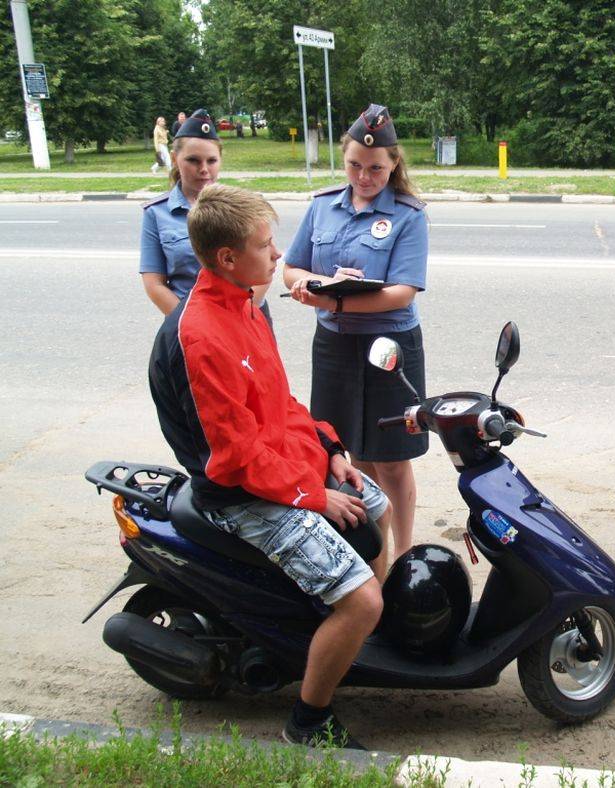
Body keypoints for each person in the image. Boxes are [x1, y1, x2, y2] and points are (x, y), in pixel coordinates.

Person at [148, 183, 387, 747]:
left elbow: (280, 404)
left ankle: (349, 641)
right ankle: (308, 720)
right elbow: (234, 457)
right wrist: (312, 494)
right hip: (242, 496)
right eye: (266, 245)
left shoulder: (245, 306)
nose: (279, 255)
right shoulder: (203, 336)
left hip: (279, 466)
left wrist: (329, 452)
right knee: (363, 599)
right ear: (227, 258)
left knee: (376, 501)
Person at [283, 103, 428, 580]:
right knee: (346, 455)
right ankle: (369, 556)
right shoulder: (322, 205)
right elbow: (291, 266)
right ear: (343, 161)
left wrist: (336, 302)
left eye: (376, 169)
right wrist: (312, 284)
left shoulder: (408, 215)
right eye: (354, 166)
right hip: (335, 348)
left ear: (393, 166)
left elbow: (403, 291)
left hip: (390, 347)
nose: (364, 177)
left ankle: (405, 559)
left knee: (391, 460)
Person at [139, 108, 271, 319]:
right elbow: (154, 284)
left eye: (211, 161)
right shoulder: (156, 213)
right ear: (175, 158)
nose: (203, 169)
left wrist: (238, 319)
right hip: (189, 323)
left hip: (246, 318)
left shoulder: (244, 205)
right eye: (193, 160)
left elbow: (266, 267)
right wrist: (194, 323)